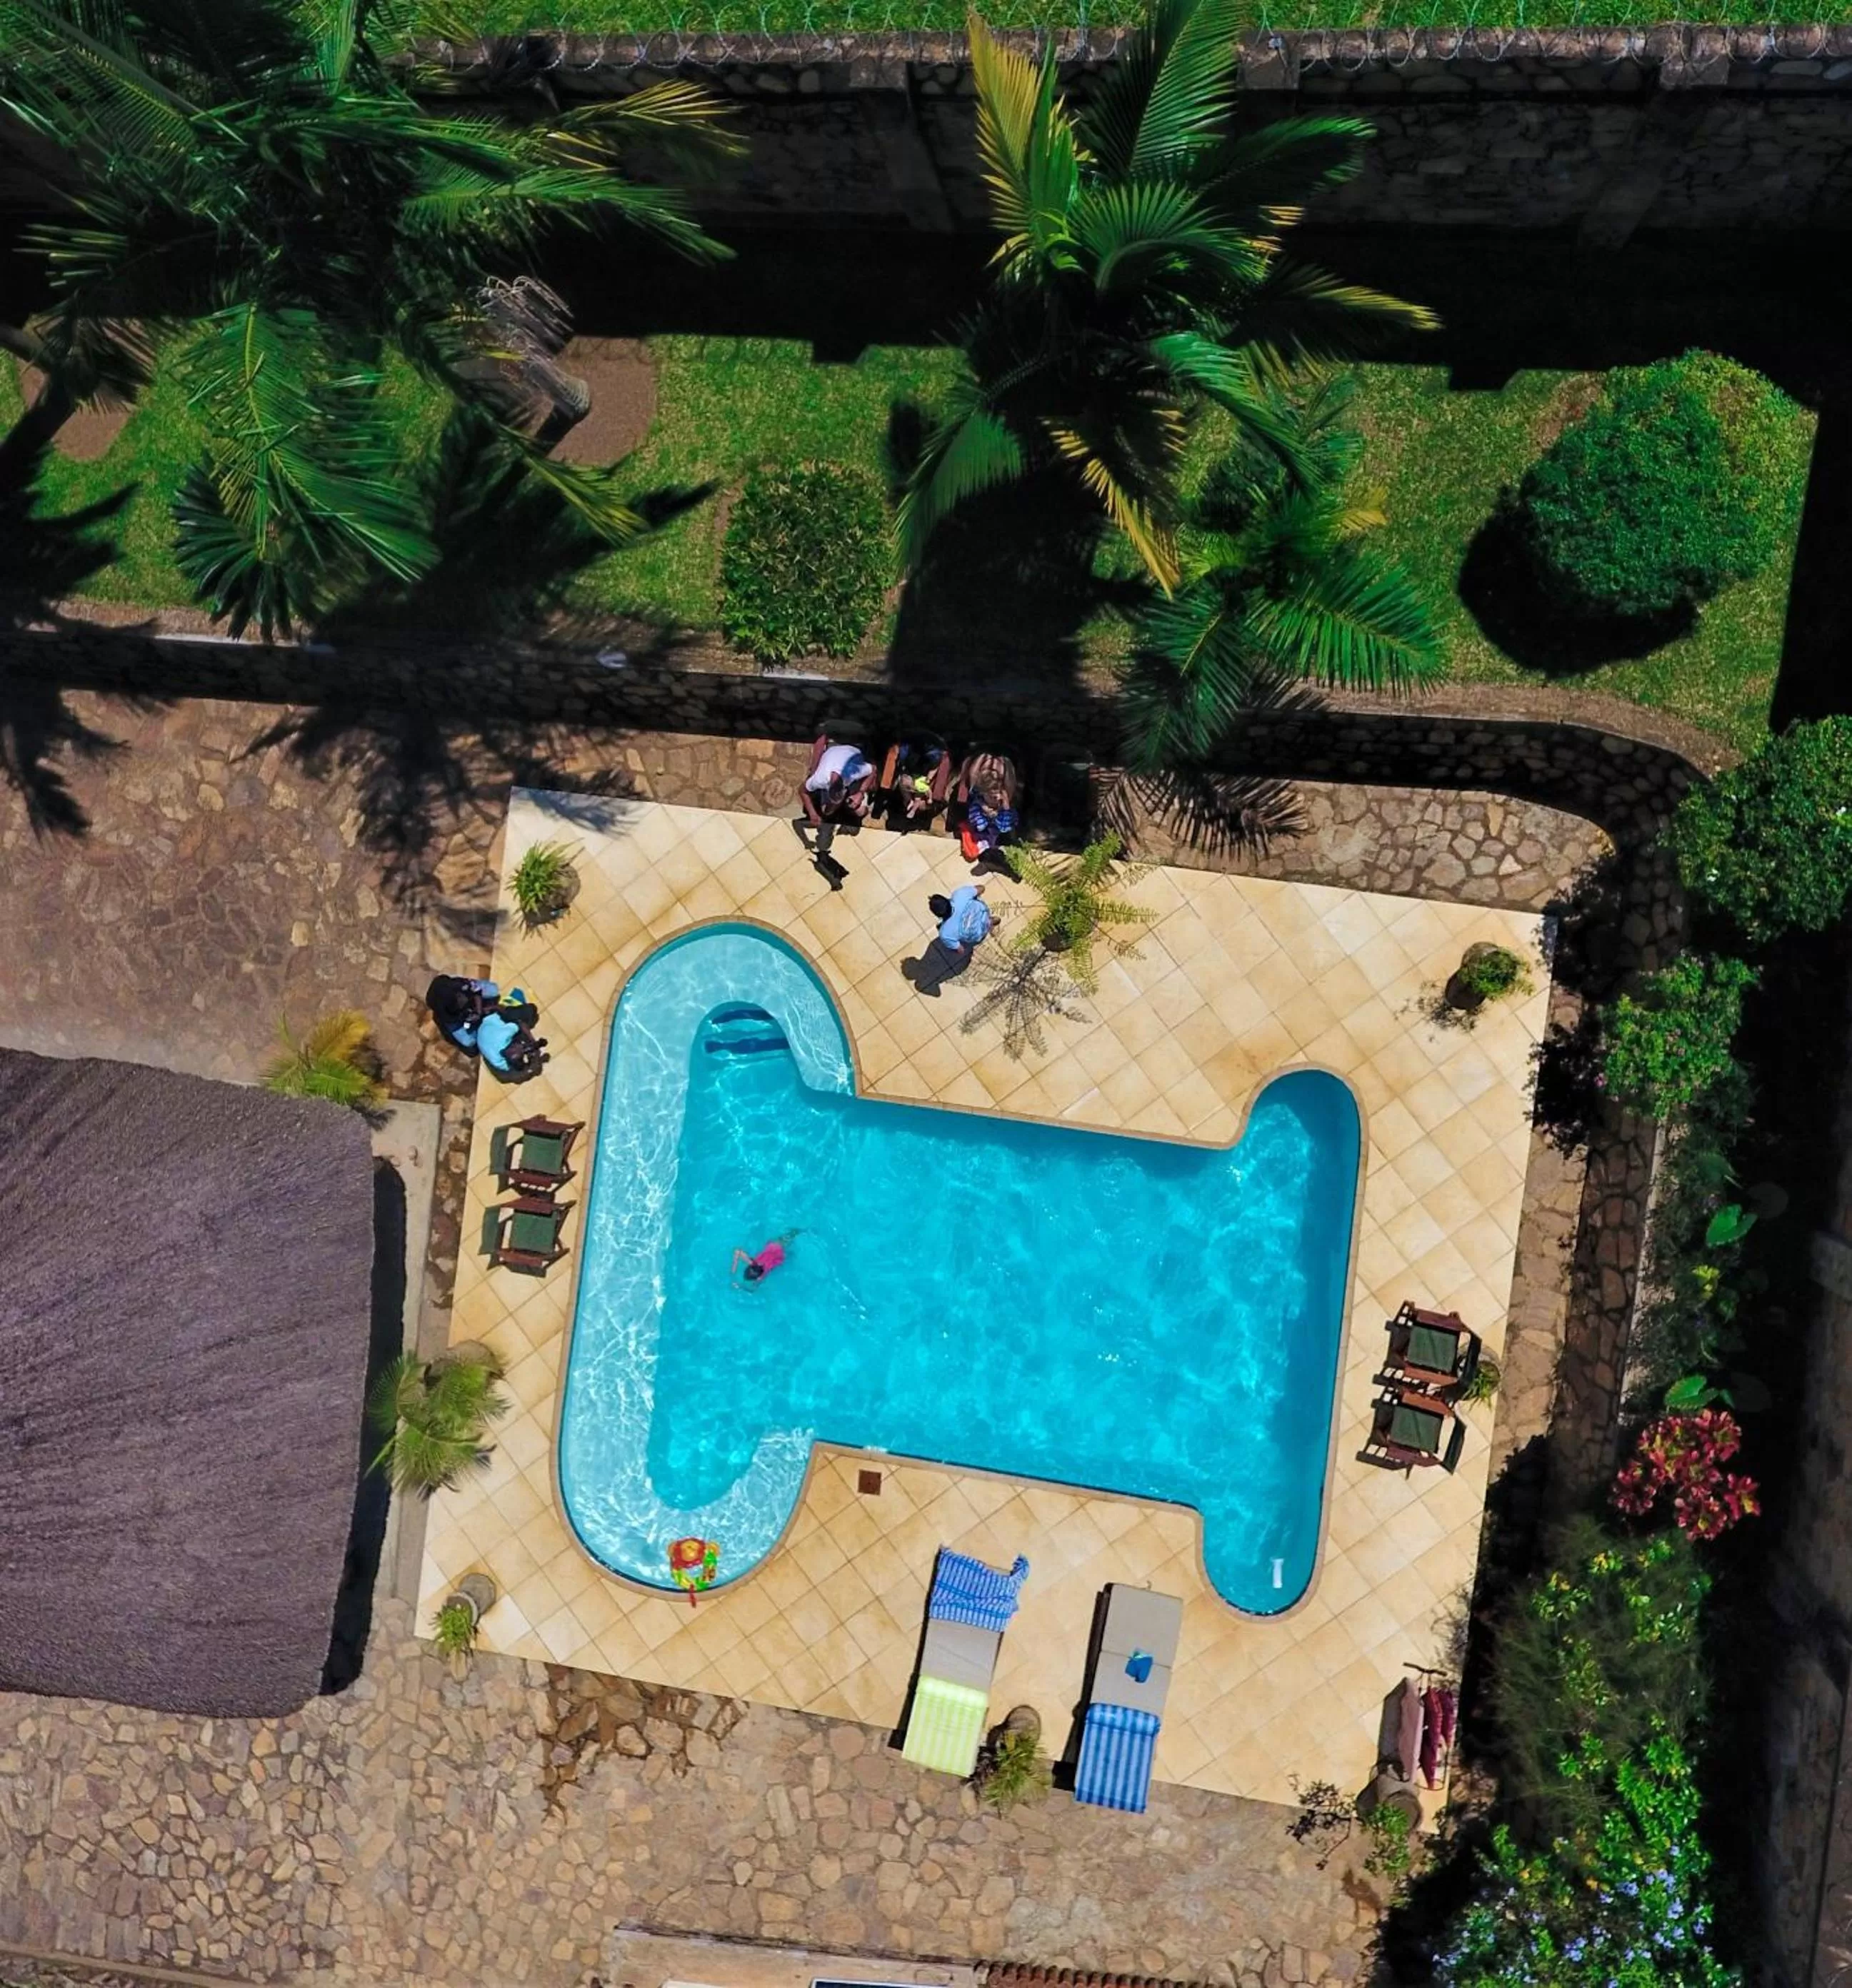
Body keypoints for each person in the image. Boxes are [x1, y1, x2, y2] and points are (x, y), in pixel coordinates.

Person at [901, 883, 991, 998]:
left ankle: (990, 924)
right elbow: (981, 888)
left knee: (955, 938)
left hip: (978, 935)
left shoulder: (945, 933)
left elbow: (961, 950)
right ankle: (990, 921)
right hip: (983, 912)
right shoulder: (960, 895)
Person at [958, 752, 1019, 873]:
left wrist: (1004, 807)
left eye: (997, 795)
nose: (995, 798)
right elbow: (979, 826)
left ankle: (998, 860)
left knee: (1007, 836)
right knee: (982, 844)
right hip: (986, 829)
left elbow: (1005, 827)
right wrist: (985, 813)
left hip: (1003, 825)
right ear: (983, 795)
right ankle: (988, 862)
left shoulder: (1003, 800)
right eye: (991, 797)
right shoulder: (978, 804)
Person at [479, 998, 549, 1081]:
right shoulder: (504, 1038)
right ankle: (535, 1066)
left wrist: (532, 1041)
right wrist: (532, 1043)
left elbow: (520, 1024)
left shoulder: (505, 1038)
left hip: (488, 1029)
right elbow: (521, 1024)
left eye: (521, 1047)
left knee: (531, 1012)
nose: (522, 1046)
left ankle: (533, 1066)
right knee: (531, 1011)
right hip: (486, 1042)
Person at [426, 973, 499, 1053]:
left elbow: (476, 990)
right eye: (458, 999)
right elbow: (468, 1038)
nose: (461, 997)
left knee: (493, 989)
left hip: (470, 1006)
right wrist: (472, 1021)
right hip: (460, 1020)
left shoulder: (459, 985)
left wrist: (479, 1011)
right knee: (471, 1043)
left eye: (459, 995)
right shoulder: (449, 1019)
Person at [732, 1230, 799, 1288]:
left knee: (791, 1239)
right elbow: (737, 1251)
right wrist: (734, 1269)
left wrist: (741, 1286)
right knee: (790, 1236)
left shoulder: (762, 1276)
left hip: (780, 1252)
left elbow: (753, 1289)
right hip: (773, 1245)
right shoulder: (753, 1262)